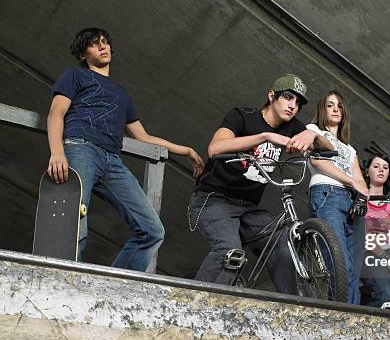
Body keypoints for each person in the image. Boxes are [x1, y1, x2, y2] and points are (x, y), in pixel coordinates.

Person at [47, 27, 204, 272]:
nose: (102, 47)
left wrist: (185, 150)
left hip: (112, 161)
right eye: (94, 44)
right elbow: (56, 113)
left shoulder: (122, 93)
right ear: (83, 55)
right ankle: (64, 282)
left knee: (152, 230)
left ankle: (114, 285)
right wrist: (57, 152)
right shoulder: (75, 75)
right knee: (76, 222)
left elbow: (143, 136)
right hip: (81, 148)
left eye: (105, 42)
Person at [189, 74, 331, 294]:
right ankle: (194, 302)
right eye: (287, 97)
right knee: (230, 251)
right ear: (271, 95)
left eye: (298, 103)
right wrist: (265, 137)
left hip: (248, 208)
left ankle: (297, 308)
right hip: (212, 200)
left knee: (285, 245)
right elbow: (215, 148)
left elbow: (327, 147)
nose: (292, 106)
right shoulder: (242, 117)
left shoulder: (292, 126)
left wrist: (311, 134)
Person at [306, 90, 368, 304]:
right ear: (322, 109)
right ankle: (338, 316)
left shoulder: (350, 149)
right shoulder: (313, 131)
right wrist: (351, 182)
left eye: (339, 106)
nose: (335, 109)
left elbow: (361, 181)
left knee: (352, 268)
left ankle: (352, 318)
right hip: (327, 194)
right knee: (338, 263)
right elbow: (317, 161)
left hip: (351, 203)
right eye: (330, 105)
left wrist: (361, 197)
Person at [361, 154, 390, 308]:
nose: (381, 170)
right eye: (376, 166)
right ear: (367, 172)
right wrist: (386, 258)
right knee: (387, 292)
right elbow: (364, 236)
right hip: (371, 254)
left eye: (385, 167)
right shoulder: (361, 200)